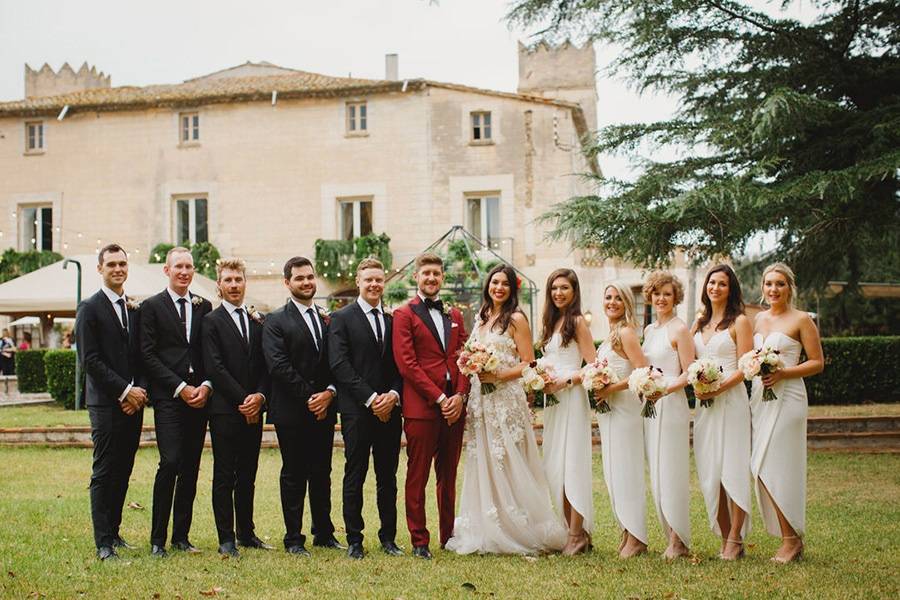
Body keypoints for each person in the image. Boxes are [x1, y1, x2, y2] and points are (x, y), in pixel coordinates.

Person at [445, 264, 566, 555]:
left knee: (509, 458)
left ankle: (517, 525)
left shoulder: (516, 319)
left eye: (505, 284)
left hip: (505, 399)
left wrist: (498, 374)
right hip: (481, 401)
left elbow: (528, 362)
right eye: (495, 282)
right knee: (484, 457)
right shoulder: (483, 317)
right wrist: (472, 364)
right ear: (488, 285)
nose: (498, 288)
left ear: (512, 290)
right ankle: (488, 523)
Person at [263, 256, 343, 556]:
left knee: (322, 471)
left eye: (310, 277)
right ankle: (294, 538)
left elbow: (335, 362)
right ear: (288, 283)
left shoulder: (327, 318)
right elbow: (278, 366)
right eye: (299, 278)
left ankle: (323, 532)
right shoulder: (275, 321)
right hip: (292, 410)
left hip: (325, 407)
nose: (306, 282)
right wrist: (313, 397)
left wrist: (330, 393)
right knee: (294, 473)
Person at [392, 252, 469, 560]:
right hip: (422, 409)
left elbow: (465, 358)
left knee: (448, 476)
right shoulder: (404, 314)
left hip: (455, 408)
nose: (432, 278)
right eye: (426, 273)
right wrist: (440, 398)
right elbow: (407, 365)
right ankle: (419, 539)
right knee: (418, 475)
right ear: (416, 277)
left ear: (442, 277)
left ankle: (447, 535)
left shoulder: (455, 315)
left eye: (436, 273)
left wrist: (460, 397)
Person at [75, 243, 147, 560]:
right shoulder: (89, 308)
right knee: (104, 469)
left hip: (132, 404)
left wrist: (138, 392)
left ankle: (115, 533)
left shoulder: (132, 309)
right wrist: (123, 391)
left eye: (122, 263)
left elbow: (142, 357)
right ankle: (103, 542)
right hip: (105, 403)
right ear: (100, 269)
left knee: (124, 468)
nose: (118, 269)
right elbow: (90, 360)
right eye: (111, 264)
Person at [327, 257, 403, 560]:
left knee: (388, 477)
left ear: (384, 283)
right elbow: (339, 365)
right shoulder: (342, 318)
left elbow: (400, 364)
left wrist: (394, 395)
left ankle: (389, 538)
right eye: (368, 279)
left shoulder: (392, 320)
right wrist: (373, 399)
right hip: (358, 411)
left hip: (390, 410)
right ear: (358, 282)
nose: (374, 284)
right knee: (354, 474)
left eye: (379, 279)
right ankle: (355, 540)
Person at [140, 247, 213, 557]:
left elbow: (211, 352)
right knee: (170, 462)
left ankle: (181, 537)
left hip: (200, 398)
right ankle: (158, 539)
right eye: (178, 266)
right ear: (166, 271)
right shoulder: (151, 307)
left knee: (191, 468)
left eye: (189, 266)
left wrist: (206, 386)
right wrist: (180, 386)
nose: (184, 271)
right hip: (169, 397)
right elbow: (147, 354)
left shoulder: (203, 306)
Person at [750, 263, 823, 563]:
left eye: (780, 284)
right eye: (769, 284)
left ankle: (791, 540)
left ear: (790, 288)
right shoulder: (757, 320)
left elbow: (817, 362)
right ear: (763, 287)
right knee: (760, 466)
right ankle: (788, 535)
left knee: (780, 466)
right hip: (761, 397)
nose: (773, 289)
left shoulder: (802, 319)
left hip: (789, 396)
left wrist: (784, 372)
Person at [201, 258, 270, 557]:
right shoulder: (210, 322)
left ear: (245, 283)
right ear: (219, 285)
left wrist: (260, 397)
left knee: (248, 473)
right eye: (228, 280)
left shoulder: (257, 322)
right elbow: (214, 367)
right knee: (224, 474)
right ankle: (226, 538)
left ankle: (247, 532)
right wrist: (244, 400)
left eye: (238, 280)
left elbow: (267, 367)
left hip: (254, 409)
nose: (233, 285)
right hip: (225, 410)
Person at [691, 264, 753, 560]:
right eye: (712, 282)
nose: (715, 287)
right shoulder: (699, 323)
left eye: (722, 284)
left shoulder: (739, 322)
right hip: (705, 405)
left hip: (731, 402)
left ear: (731, 290)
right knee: (710, 471)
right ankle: (725, 533)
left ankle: (735, 540)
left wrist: (718, 388)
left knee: (733, 467)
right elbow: (685, 358)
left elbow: (745, 367)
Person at [536, 269, 596, 556]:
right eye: (554, 288)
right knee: (555, 465)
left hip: (571, 398)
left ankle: (577, 534)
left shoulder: (577, 322)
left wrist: (566, 380)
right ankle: (571, 529)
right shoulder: (551, 322)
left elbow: (594, 366)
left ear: (574, 292)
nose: (558, 293)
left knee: (572, 464)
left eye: (564, 288)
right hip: (554, 403)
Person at [594, 283, 650, 558]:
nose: (612, 302)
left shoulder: (626, 332)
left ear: (627, 302)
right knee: (614, 472)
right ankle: (627, 531)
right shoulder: (610, 335)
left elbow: (642, 372)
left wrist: (610, 389)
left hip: (625, 411)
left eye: (618, 298)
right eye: (608, 297)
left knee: (626, 472)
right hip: (610, 412)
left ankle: (637, 536)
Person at [641, 271, 694, 559]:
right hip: (651, 406)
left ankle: (680, 540)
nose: (661, 299)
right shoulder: (649, 331)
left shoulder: (679, 329)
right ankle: (670, 535)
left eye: (667, 294)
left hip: (672, 405)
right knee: (658, 471)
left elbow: (689, 372)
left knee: (672, 469)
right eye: (657, 293)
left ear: (675, 298)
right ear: (650, 295)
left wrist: (664, 389)